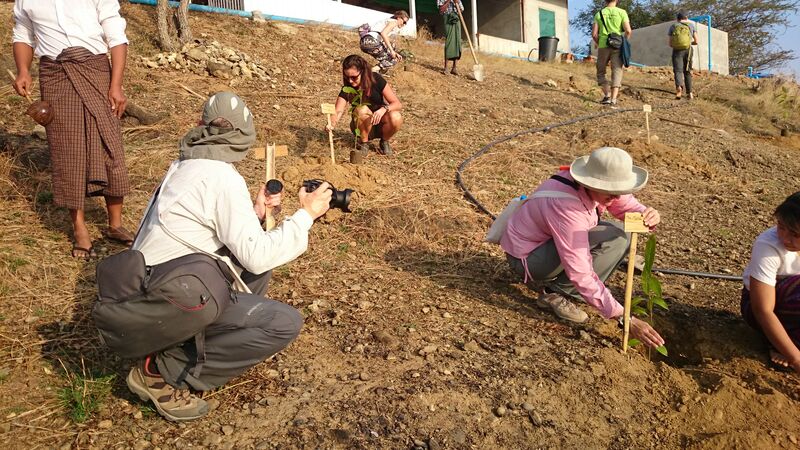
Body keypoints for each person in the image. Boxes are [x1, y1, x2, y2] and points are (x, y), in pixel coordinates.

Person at [126, 92, 332, 421]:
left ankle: (193, 341)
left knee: (256, 272)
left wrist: (255, 211)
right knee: (284, 323)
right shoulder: (222, 177)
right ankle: (162, 370)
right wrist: (306, 215)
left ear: (201, 126)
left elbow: (206, 235)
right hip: (166, 298)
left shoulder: (185, 165)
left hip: (150, 288)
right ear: (241, 139)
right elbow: (257, 254)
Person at [500, 147, 665, 348]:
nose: (615, 197)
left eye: (620, 191)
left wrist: (646, 215)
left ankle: (564, 289)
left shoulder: (601, 188)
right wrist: (623, 316)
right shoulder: (566, 207)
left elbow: (627, 207)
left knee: (621, 236)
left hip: (551, 241)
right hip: (529, 259)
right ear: (590, 182)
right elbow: (580, 272)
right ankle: (555, 294)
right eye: (610, 192)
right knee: (609, 242)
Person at [12, 0, 133, 258]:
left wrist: (116, 85)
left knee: (109, 143)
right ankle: (79, 228)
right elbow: (23, 33)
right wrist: (23, 70)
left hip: (96, 70)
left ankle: (115, 224)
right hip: (55, 75)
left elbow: (117, 37)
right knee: (67, 151)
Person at [741, 192, 800, 373]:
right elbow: (763, 310)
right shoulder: (768, 245)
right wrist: (796, 359)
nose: (785, 238)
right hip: (764, 307)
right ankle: (782, 344)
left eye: (795, 234)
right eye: (781, 226)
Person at [326, 54, 403, 156]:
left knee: (396, 116)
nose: (350, 81)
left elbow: (397, 104)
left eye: (354, 77)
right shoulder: (348, 88)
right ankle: (364, 143)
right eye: (347, 77)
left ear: (362, 71)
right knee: (361, 109)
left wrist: (384, 109)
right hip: (361, 125)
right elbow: (338, 110)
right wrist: (331, 124)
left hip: (380, 123)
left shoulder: (376, 80)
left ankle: (384, 141)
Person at [592, 0, 632, 106]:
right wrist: (624, 42)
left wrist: (597, 42)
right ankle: (614, 99)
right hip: (618, 46)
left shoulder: (599, 14)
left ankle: (607, 95)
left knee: (601, 71)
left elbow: (594, 34)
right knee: (617, 71)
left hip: (603, 45)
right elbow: (628, 31)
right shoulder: (622, 12)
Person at [668, 11, 699, 100]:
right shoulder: (691, 25)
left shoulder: (673, 26)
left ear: (678, 19)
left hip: (677, 51)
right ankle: (689, 93)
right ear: (686, 18)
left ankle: (679, 89)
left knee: (678, 71)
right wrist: (688, 43)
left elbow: (670, 43)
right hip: (688, 50)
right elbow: (696, 41)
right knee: (687, 71)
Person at [438, 0, 464, 75]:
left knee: (457, 42)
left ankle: (454, 68)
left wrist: (457, 3)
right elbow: (441, 10)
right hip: (448, 19)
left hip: (456, 19)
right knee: (449, 42)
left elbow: (461, 10)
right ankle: (446, 68)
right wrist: (449, 0)